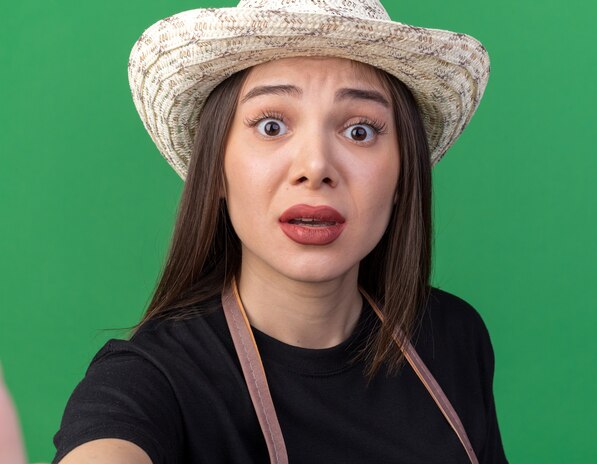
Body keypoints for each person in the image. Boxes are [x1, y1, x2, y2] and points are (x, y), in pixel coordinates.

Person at [53, 0, 507, 462]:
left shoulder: (452, 335)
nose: (315, 167)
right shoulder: (149, 381)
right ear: (217, 171)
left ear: (402, 176)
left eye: (360, 131)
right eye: (271, 125)